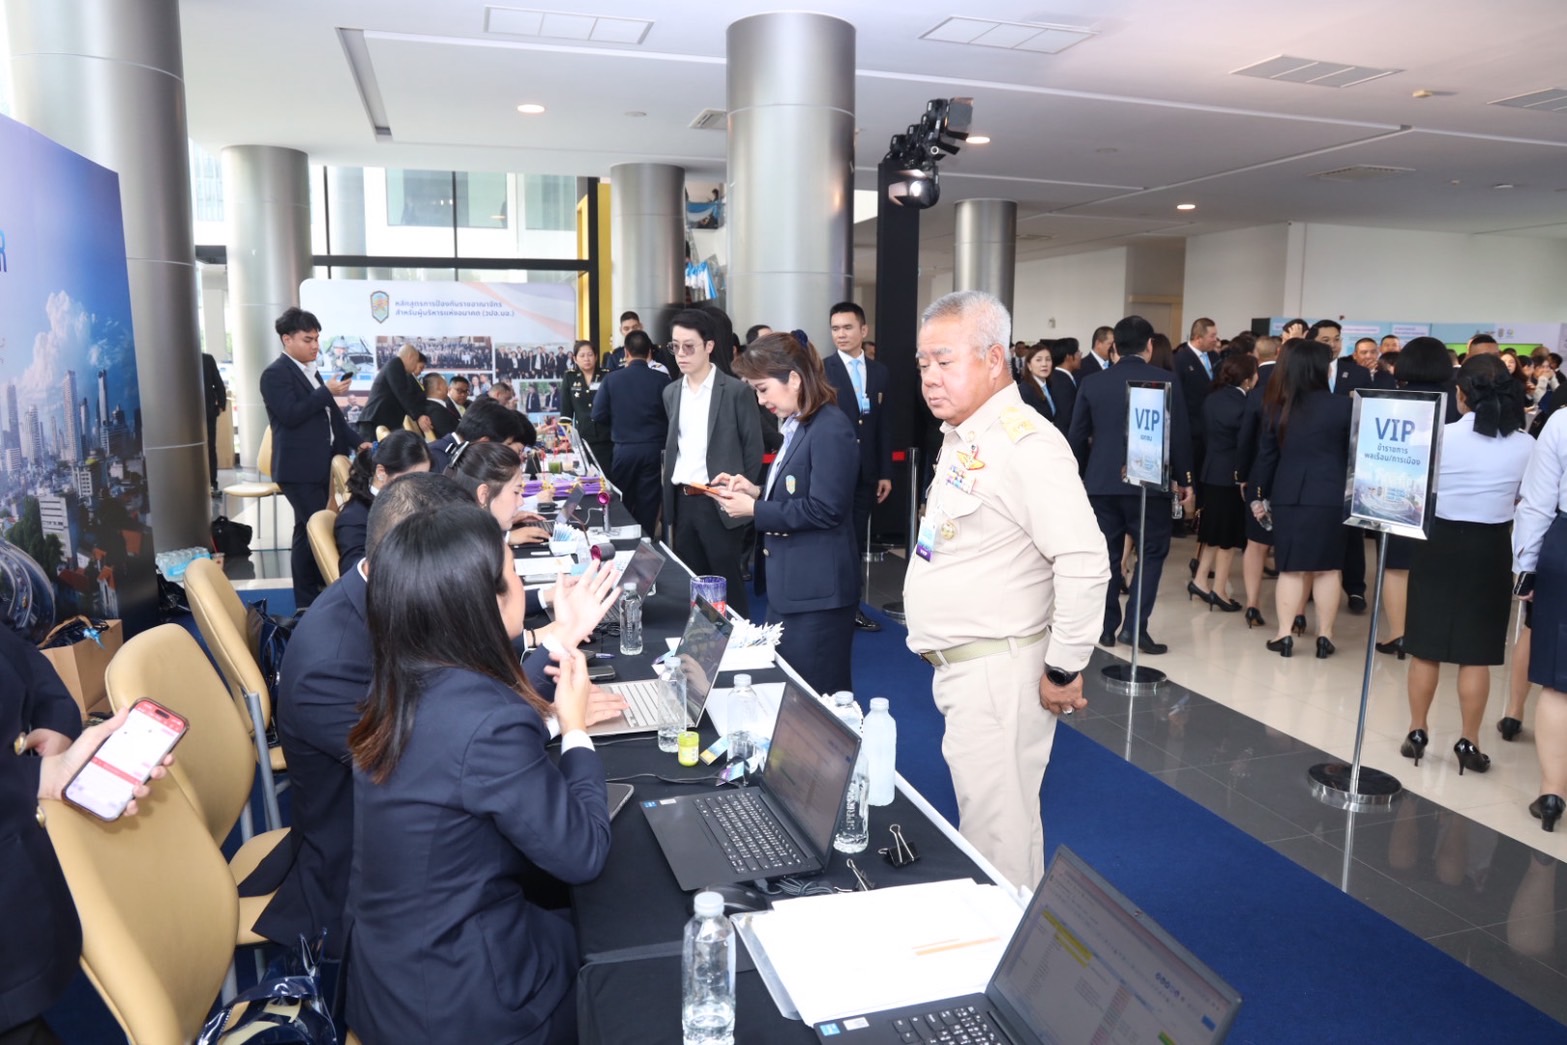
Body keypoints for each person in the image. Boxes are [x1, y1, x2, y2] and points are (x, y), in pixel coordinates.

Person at [344, 506, 611, 1044]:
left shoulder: (402, 679)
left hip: (394, 978)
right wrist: (575, 728)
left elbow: (474, 733)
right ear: (483, 604)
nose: (522, 586)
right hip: (466, 1004)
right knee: (622, 958)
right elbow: (583, 853)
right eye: (514, 572)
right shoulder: (488, 723)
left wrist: (560, 641)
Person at [902, 290, 1109, 890]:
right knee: (996, 827)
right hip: (970, 670)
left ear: (995, 359)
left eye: (945, 361)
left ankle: (1006, 942)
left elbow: (1084, 561)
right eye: (923, 363)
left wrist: (1064, 667)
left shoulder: (1025, 444)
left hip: (998, 673)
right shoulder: (965, 436)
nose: (930, 377)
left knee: (997, 842)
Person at [1401, 355, 1534, 776]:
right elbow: (1527, 500)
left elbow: (1415, 489)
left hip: (1438, 541)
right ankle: (1468, 740)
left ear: (1461, 395)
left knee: (1426, 646)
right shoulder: (1524, 444)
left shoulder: (1438, 436)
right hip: (1491, 546)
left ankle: (1417, 731)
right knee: (1475, 654)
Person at [709, 332, 860, 694]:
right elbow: (802, 491)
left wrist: (755, 509)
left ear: (794, 379)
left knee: (815, 696)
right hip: (795, 587)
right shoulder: (801, 424)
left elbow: (826, 509)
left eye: (763, 389)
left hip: (817, 593)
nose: (761, 401)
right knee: (791, 691)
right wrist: (756, 491)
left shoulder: (829, 427)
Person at [1067, 315, 1195, 655]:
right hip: (1149, 484)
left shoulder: (1092, 383)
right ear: (1149, 345)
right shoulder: (1166, 380)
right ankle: (1135, 628)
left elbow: (1076, 437)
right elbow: (1179, 435)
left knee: (1107, 556)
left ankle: (1106, 627)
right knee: (1151, 553)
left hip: (1101, 484)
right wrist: (1185, 479)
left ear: (1114, 348)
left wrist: (1078, 478)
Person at [1249, 340, 1352, 659]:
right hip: (1332, 495)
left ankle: (1284, 635)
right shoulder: (1345, 407)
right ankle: (1325, 636)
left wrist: (1257, 495)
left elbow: (1266, 458)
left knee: (1290, 568)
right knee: (1328, 569)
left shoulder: (1277, 406)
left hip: (1290, 494)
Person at [259, 306, 365, 609]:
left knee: (306, 532)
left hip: (319, 465)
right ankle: (316, 596)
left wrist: (359, 443)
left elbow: (333, 420)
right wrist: (325, 392)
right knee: (318, 529)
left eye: (317, 339)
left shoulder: (310, 371)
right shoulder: (275, 374)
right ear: (287, 339)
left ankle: (308, 599)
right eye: (308, 339)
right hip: (298, 469)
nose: (315, 345)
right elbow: (291, 415)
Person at [661, 308, 764, 616]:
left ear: (708, 346)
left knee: (727, 583)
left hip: (720, 499)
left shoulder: (735, 391)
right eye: (675, 346)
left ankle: (739, 639)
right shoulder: (671, 392)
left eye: (688, 346)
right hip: (683, 499)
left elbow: (753, 447)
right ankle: (701, 640)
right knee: (692, 582)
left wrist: (738, 492)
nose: (681, 354)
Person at [1373, 336, 1458, 659]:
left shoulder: (1394, 400)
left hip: (1400, 492)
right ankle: (1432, 634)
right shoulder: (1458, 401)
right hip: (1446, 497)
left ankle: (1399, 634)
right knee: (1437, 568)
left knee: (1396, 566)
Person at [822, 302, 892, 631]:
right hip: (833, 471)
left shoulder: (879, 372)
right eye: (835, 328)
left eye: (847, 327)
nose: (841, 334)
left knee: (855, 542)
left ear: (863, 330)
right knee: (833, 540)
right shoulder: (823, 370)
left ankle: (852, 607)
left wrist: (885, 472)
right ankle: (831, 606)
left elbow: (883, 425)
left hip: (866, 473)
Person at [1516, 409, 1567, 830]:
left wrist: (1525, 566)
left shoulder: (1563, 423)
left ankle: (1552, 793)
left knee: (1558, 681)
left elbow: (1537, 502)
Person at [1190, 353, 1258, 612]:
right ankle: (1218, 590)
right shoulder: (1245, 404)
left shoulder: (1212, 398)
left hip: (1211, 471)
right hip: (1231, 476)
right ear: (1248, 379)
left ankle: (1199, 580)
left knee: (1212, 533)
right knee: (1227, 538)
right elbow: (1245, 444)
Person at [591, 329, 669, 535]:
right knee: (649, 502)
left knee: (621, 500)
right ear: (649, 352)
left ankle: (621, 540)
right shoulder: (662, 380)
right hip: (654, 449)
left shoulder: (612, 379)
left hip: (624, 448)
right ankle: (644, 541)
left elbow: (597, 414)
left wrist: (618, 423)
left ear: (626, 352)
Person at [335, 430, 431, 575]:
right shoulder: (355, 518)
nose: (419, 486)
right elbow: (356, 573)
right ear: (381, 472)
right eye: (411, 479)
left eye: (424, 479)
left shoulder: (409, 500)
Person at [450, 442, 550, 548]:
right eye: (516, 492)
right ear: (484, 495)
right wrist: (506, 538)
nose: (521, 502)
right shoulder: (461, 547)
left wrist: (500, 523)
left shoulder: (457, 524)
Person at [427, 396, 531, 474]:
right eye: (507, 444)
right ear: (484, 442)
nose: (508, 451)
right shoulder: (435, 460)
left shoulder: (464, 454)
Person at [359, 342, 431, 442]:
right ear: (410, 357)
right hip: (373, 423)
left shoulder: (400, 369)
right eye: (415, 362)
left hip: (383, 422)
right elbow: (402, 393)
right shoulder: (395, 364)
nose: (415, 367)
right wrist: (419, 416)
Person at [560, 340, 613, 474]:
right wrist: (566, 439)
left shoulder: (607, 375)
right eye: (582, 355)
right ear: (575, 359)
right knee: (589, 477)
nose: (586, 359)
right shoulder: (570, 377)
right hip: (584, 437)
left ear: (596, 356)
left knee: (608, 476)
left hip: (607, 436)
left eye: (590, 355)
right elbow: (566, 412)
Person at [203, 351, 227, 494]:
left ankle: (212, 482)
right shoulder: (205, 359)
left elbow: (218, 383)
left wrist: (221, 405)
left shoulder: (207, 359)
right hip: (192, 414)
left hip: (207, 412)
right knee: (208, 447)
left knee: (210, 447)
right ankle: (209, 483)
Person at [421, 373, 459, 438]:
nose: (448, 387)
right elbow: (450, 437)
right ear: (439, 387)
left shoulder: (434, 406)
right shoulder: (435, 411)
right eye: (445, 384)